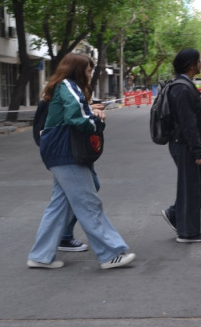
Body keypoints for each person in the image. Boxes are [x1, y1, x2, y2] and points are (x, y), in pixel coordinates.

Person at [27, 53, 135, 270]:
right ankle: (110, 253)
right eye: (87, 70)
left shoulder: (61, 85)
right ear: (78, 69)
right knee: (88, 202)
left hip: (58, 152)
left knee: (60, 205)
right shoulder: (68, 85)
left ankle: (40, 256)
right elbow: (77, 116)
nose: (90, 74)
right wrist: (96, 121)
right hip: (67, 152)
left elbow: (75, 111)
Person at [161, 49, 201, 243]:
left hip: (185, 144)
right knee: (191, 187)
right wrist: (197, 150)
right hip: (184, 145)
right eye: (199, 61)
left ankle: (176, 215)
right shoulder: (182, 88)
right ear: (191, 65)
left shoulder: (184, 85)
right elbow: (187, 123)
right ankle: (187, 232)